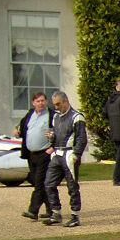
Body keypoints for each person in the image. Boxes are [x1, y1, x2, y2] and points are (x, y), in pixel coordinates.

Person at [44, 90, 87, 228]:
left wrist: (76, 154)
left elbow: (81, 138)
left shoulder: (77, 117)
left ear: (66, 101)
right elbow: (55, 134)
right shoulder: (56, 117)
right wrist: (51, 139)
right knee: (49, 183)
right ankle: (56, 212)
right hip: (57, 153)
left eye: (58, 104)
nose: (56, 107)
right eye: (54, 104)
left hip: (69, 154)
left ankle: (75, 215)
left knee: (72, 186)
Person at [16, 91, 52, 220]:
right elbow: (22, 126)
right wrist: (17, 131)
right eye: (38, 101)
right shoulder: (30, 114)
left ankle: (33, 210)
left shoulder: (51, 115)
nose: (41, 103)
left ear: (46, 102)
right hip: (31, 154)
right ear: (33, 103)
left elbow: (58, 132)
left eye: (43, 100)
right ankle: (51, 210)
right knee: (39, 182)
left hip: (45, 153)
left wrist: (52, 147)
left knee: (40, 182)